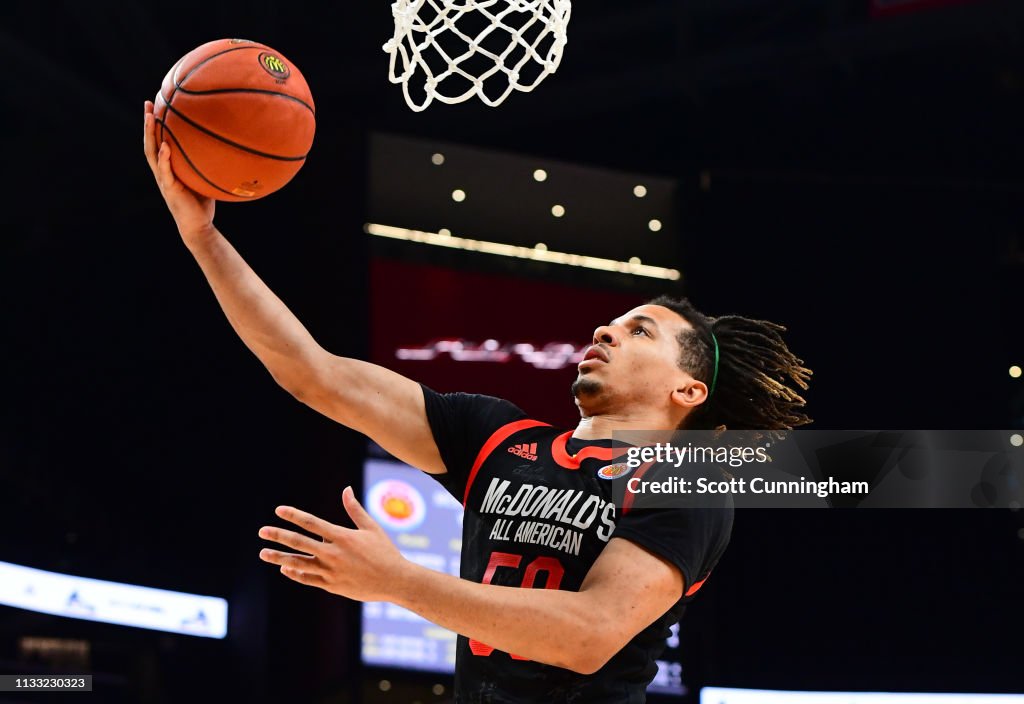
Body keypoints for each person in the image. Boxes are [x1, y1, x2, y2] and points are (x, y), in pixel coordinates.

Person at [143, 100, 812, 703]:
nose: (606, 328)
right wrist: (202, 238)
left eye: (642, 330)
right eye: (614, 321)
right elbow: (312, 373)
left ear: (687, 390)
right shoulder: (497, 437)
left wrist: (398, 582)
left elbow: (589, 635)